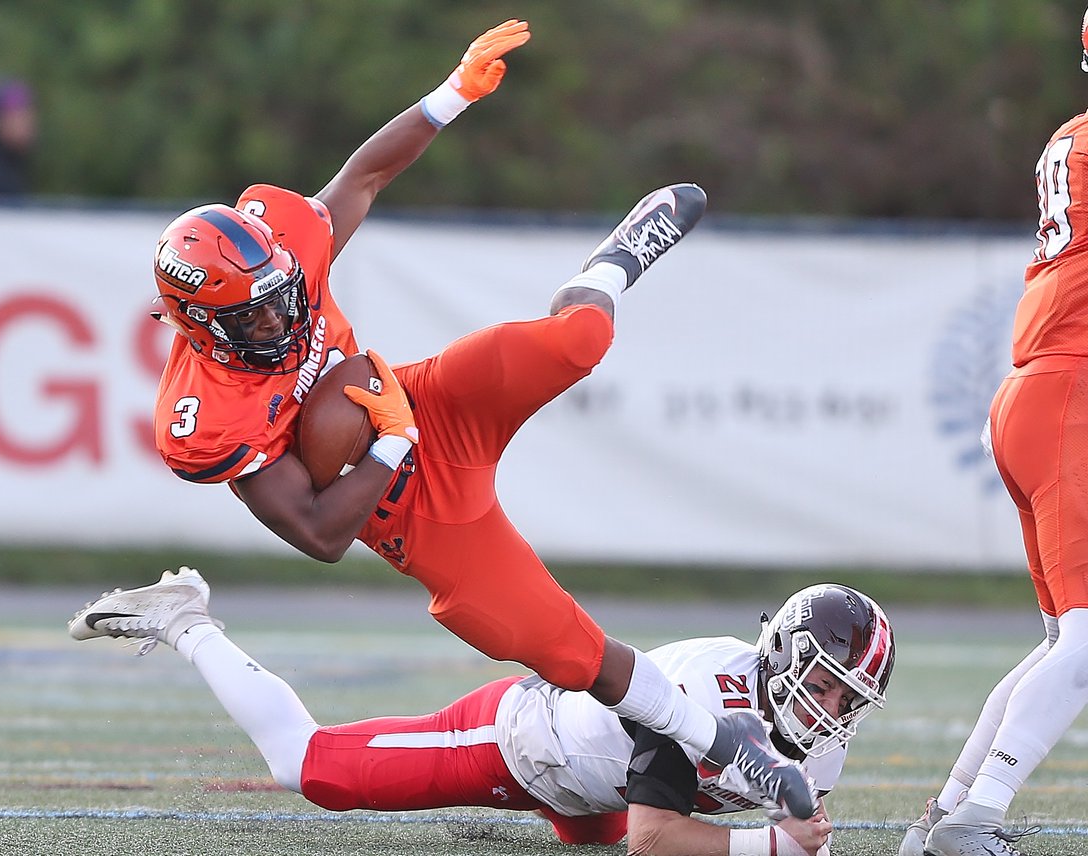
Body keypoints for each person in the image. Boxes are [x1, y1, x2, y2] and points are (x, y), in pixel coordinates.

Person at [144, 18, 815, 818]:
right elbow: (321, 535)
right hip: (407, 509)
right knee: (572, 652)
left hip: (423, 400)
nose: (282, 316)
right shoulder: (206, 417)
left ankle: (611, 263)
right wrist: (391, 444)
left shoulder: (284, 250)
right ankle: (721, 744)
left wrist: (454, 91)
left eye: (284, 293)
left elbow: (364, 177)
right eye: (254, 315)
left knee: (578, 340)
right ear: (199, 322)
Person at [70, 573, 895, 855]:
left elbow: (800, 829)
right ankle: (186, 620)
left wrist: (796, 839)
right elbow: (655, 838)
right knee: (307, 765)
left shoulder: (825, 741)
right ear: (782, 655)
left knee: (595, 837)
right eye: (823, 685)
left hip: (597, 791)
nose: (831, 711)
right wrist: (770, 846)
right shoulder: (704, 689)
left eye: (849, 698)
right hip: (523, 748)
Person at [898, 10, 1088, 856]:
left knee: (1062, 641)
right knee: (1086, 639)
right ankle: (977, 820)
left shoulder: (1071, 135)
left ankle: (943, 815)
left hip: (1036, 391)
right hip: (1071, 391)